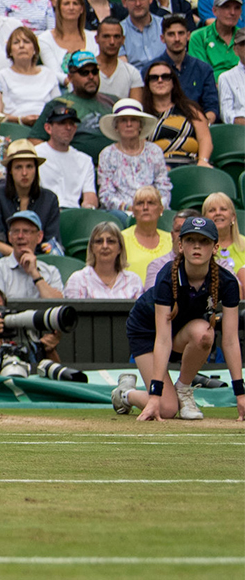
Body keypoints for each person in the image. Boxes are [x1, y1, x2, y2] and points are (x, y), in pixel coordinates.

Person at [113, 215, 243, 422]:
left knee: (204, 333)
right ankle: (125, 394)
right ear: (181, 245)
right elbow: (162, 340)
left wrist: (241, 395)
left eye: (204, 241)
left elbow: (229, 340)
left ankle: (183, 389)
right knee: (166, 409)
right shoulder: (166, 276)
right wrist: (155, 396)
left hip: (183, 332)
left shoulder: (227, 282)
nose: (197, 246)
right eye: (190, 240)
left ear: (215, 247)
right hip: (147, 332)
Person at [142, 60, 213, 168]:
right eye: (154, 78)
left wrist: (203, 161)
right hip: (157, 167)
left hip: (191, 165)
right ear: (148, 84)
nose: (160, 80)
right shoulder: (143, 115)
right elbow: (140, 148)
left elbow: (205, 138)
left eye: (165, 77)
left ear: (173, 82)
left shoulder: (191, 109)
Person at [0, 209, 66, 298]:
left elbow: (57, 305)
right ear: (9, 237)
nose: (20, 236)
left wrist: (35, 274)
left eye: (26, 231)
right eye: (15, 231)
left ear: (39, 237)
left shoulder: (51, 272)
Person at [189, 0, 243, 78]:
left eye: (237, 8)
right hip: (211, 88)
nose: (232, 12)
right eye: (226, 7)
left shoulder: (242, 37)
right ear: (214, 11)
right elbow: (200, 74)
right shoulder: (198, 37)